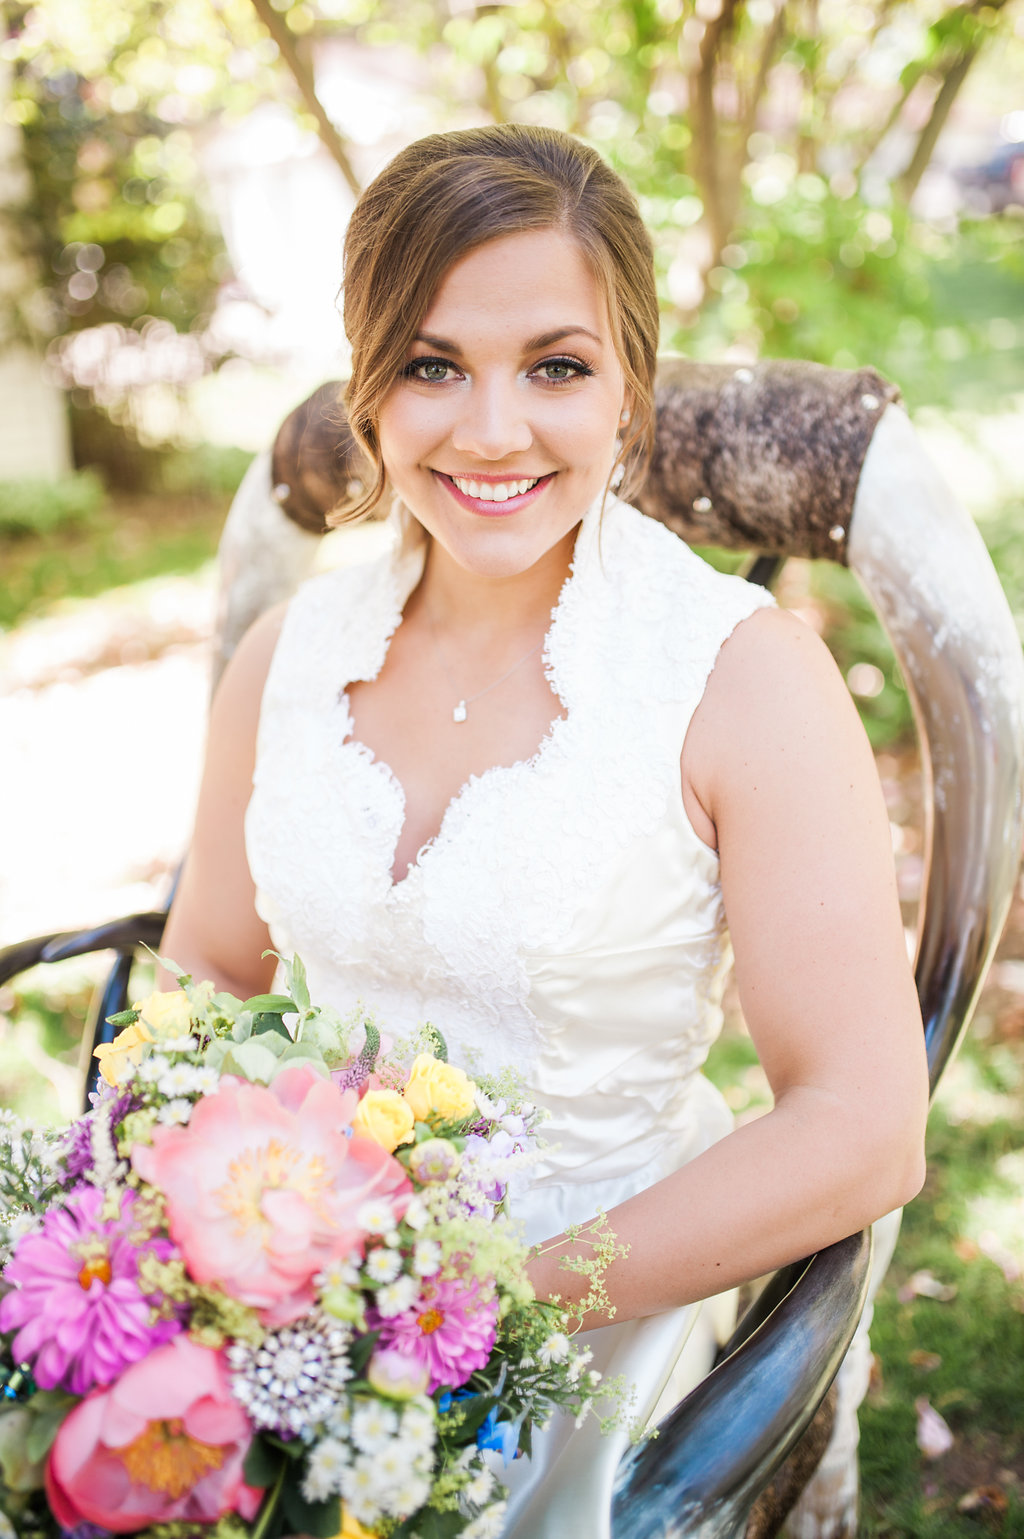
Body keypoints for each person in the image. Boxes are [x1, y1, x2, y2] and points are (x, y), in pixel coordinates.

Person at [159, 124, 929, 1537]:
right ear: (366, 389)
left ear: (628, 389)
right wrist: (182, 1247)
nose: (492, 430)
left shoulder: (740, 678)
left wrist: (480, 1313)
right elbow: (206, 968)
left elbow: (863, 1129)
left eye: (557, 367)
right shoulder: (288, 652)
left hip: (598, 1312)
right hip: (291, 1285)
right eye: (432, 364)